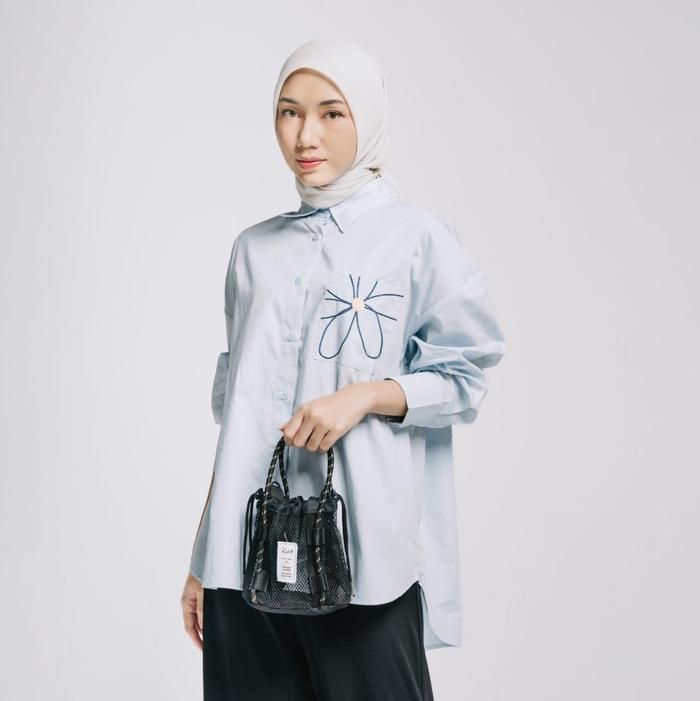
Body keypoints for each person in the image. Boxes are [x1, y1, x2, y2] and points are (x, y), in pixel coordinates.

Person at [180, 37, 506, 700]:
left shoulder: (416, 238)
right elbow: (238, 417)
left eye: (332, 112)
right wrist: (203, 558)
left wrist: (365, 396)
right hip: (243, 561)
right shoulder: (253, 250)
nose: (306, 135)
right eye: (289, 112)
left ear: (368, 116)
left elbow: (465, 377)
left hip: (366, 560)